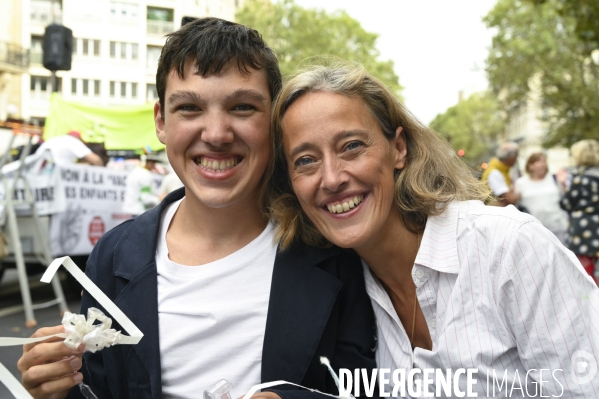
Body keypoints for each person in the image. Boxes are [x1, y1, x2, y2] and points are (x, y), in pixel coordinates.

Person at [17, 19, 376, 399]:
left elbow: (366, 383)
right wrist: (56, 388)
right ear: (161, 122)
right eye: (189, 107)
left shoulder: (333, 250)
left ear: (273, 121)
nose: (217, 134)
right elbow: (98, 388)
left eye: (241, 107)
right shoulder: (113, 256)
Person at [270, 63, 599, 396]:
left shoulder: (510, 250)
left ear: (399, 148)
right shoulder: (341, 294)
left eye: (352, 146)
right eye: (306, 160)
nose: (331, 177)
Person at [559, 139, 599, 284]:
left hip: (583, 231)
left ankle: (592, 303)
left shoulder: (582, 178)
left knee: (585, 274)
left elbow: (566, 203)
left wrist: (563, 185)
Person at [514, 152, 569, 243]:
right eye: (539, 161)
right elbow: (516, 203)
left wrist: (563, 183)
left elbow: (564, 197)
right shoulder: (521, 183)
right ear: (530, 166)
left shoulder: (553, 179)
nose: (543, 164)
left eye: (544, 161)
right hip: (534, 229)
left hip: (557, 227)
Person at [481, 141, 520, 206]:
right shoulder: (495, 173)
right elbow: (510, 199)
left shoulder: (502, 170)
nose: (516, 160)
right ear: (511, 158)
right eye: (516, 157)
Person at [35, 131, 104, 166]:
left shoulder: (53, 140)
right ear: (79, 139)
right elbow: (96, 160)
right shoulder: (72, 141)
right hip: (54, 176)